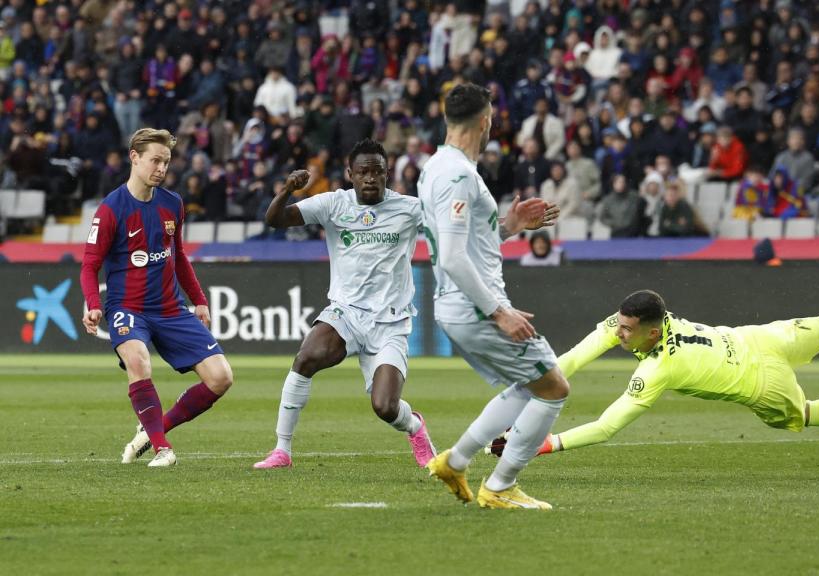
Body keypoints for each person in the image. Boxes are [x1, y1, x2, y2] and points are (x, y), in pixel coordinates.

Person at [490, 263, 819, 458]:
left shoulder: (658, 369)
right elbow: (576, 357)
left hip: (762, 381)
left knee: (805, 415)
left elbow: (606, 426)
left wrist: (541, 444)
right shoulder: (645, 319)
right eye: (616, 326)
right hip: (763, 339)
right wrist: (546, 376)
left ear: (652, 328)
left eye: (625, 329)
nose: (617, 333)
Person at [419, 83, 566, 510]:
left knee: (528, 385)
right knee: (553, 387)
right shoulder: (458, 175)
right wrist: (498, 311)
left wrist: (506, 227)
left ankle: (457, 460)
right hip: (472, 307)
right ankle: (500, 487)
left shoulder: (437, 167)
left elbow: (465, 244)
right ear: (485, 121)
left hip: (462, 305)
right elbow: (450, 256)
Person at [252, 139, 436, 470]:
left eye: (376, 172)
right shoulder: (333, 204)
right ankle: (282, 450)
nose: (370, 179)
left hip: (390, 323)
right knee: (306, 357)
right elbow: (275, 220)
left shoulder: (409, 209)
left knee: (384, 407)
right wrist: (287, 190)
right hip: (346, 314)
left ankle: (416, 427)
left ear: (387, 174)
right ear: (350, 174)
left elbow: (457, 230)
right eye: (363, 172)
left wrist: (509, 227)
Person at [79, 128, 233, 468]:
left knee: (221, 378)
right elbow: (89, 265)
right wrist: (93, 304)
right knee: (138, 362)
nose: (162, 168)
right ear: (134, 157)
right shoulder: (110, 210)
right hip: (128, 308)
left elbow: (177, 256)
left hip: (170, 309)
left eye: (166, 162)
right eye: (155, 161)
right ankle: (164, 449)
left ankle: (151, 430)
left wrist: (200, 300)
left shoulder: (173, 204)